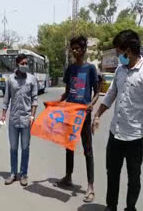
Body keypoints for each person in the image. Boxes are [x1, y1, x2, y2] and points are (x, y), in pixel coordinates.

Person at [92, 29, 143, 211]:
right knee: (112, 173)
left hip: (135, 137)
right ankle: (111, 206)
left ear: (128, 51)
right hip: (116, 134)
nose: (118, 57)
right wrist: (97, 115)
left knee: (134, 178)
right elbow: (111, 95)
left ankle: (130, 208)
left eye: (119, 53)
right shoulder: (120, 70)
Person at [54, 36, 99, 203]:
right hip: (70, 113)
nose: (74, 51)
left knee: (88, 150)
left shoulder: (91, 69)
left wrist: (90, 105)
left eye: (77, 48)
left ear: (84, 49)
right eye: (72, 48)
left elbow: (96, 92)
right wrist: (55, 103)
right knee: (69, 147)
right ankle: (68, 177)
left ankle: (90, 186)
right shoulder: (70, 69)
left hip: (84, 115)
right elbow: (67, 92)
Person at [0, 53, 38, 187]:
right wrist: (3, 114)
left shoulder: (32, 79)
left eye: (26, 63)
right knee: (13, 148)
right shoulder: (10, 79)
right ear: (17, 64)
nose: (25, 66)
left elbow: (35, 100)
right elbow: (6, 99)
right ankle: (13, 173)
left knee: (25, 148)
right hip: (14, 119)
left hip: (27, 119)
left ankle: (24, 174)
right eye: (22, 63)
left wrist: (32, 116)